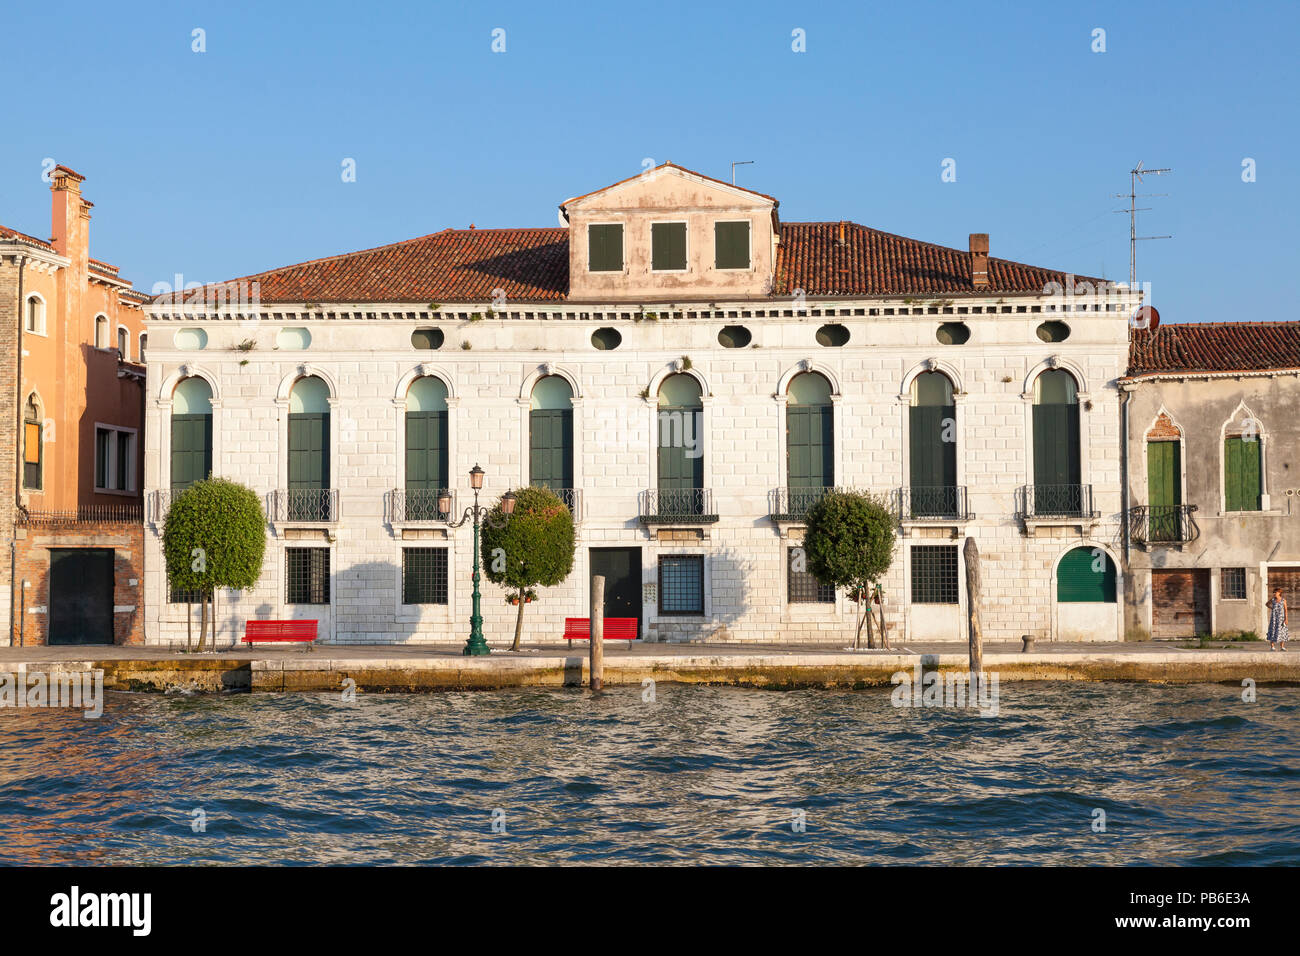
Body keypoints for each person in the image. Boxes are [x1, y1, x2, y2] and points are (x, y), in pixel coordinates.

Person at [1266, 586, 1288, 651]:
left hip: (1281, 618)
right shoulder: (1272, 600)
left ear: (1279, 593)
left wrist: (1286, 619)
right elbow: (1267, 604)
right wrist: (1272, 608)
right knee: (1272, 631)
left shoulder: (1283, 600)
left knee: (1282, 631)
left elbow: (1286, 610)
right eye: (1274, 592)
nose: (1274, 593)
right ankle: (1272, 647)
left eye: (1276, 592)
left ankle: (1282, 647)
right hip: (1274, 618)